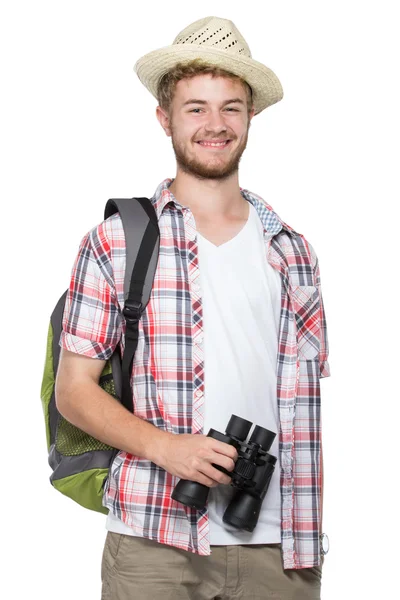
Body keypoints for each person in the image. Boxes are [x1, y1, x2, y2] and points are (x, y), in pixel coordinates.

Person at [55, 16, 331, 600]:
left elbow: (301, 405)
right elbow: (72, 390)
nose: (215, 124)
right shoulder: (117, 241)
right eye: (196, 107)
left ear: (251, 118)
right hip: (153, 537)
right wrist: (168, 449)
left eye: (231, 107)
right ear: (165, 118)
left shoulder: (293, 250)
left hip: (279, 544)